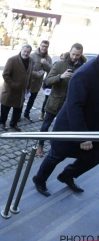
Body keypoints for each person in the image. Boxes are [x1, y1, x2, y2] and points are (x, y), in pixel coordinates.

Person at [32, 55, 99, 197]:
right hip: (69, 127)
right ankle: (39, 179)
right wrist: (83, 137)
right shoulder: (84, 74)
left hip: (92, 128)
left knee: (94, 157)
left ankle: (67, 174)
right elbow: (74, 107)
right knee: (55, 156)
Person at [36, 43, 86, 157]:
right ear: (69, 51)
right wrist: (61, 77)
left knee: (61, 128)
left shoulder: (83, 67)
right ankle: (40, 145)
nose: (74, 57)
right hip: (54, 101)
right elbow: (47, 81)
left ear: (81, 54)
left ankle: (55, 148)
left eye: (77, 55)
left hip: (69, 104)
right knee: (46, 125)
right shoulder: (59, 64)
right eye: (73, 54)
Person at [0, 44, 33, 132]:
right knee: (5, 107)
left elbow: (29, 74)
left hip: (22, 91)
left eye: (28, 52)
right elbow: (5, 75)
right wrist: (14, 85)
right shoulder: (12, 60)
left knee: (18, 109)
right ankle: (2, 122)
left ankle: (13, 123)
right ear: (21, 50)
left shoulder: (30, 61)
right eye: (25, 51)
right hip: (10, 90)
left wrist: (28, 87)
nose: (26, 54)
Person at [23, 40, 52, 122]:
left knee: (32, 100)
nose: (44, 48)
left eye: (46, 47)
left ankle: (26, 114)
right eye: (43, 46)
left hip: (37, 84)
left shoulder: (48, 58)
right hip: (28, 83)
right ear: (40, 45)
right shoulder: (32, 56)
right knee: (23, 99)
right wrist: (35, 74)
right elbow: (26, 70)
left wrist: (46, 63)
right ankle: (17, 115)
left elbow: (51, 71)